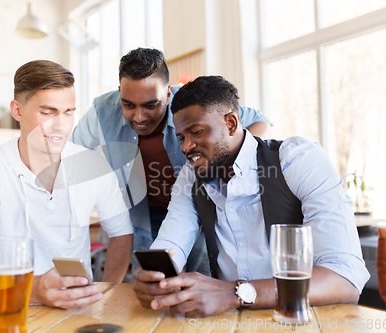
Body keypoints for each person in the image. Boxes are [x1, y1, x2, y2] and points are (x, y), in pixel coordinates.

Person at [133, 76, 369, 317]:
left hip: (307, 321)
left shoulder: (297, 160)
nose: (185, 147)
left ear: (231, 123)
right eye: (182, 137)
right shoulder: (191, 175)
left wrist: (234, 294)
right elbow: (171, 243)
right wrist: (154, 278)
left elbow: (345, 279)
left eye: (196, 131)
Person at [0, 60, 134, 309]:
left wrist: (105, 294)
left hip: (78, 313)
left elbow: (121, 232)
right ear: (17, 110)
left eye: (68, 112)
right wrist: (33, 290)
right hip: (10, 310)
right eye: (47, 112)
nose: (60, 125)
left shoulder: (92, 165)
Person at [70, 48, 272, 275]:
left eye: (150, 105)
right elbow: (71, 156)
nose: (139, 117)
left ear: (168, 93)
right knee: (151, 280)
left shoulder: (192, 105)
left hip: (201, 209)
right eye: (128, 105)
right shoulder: (102, 112)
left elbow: (260, 121)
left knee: (204, 280)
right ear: (119, 93)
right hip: (144, 215)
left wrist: (227, 166)